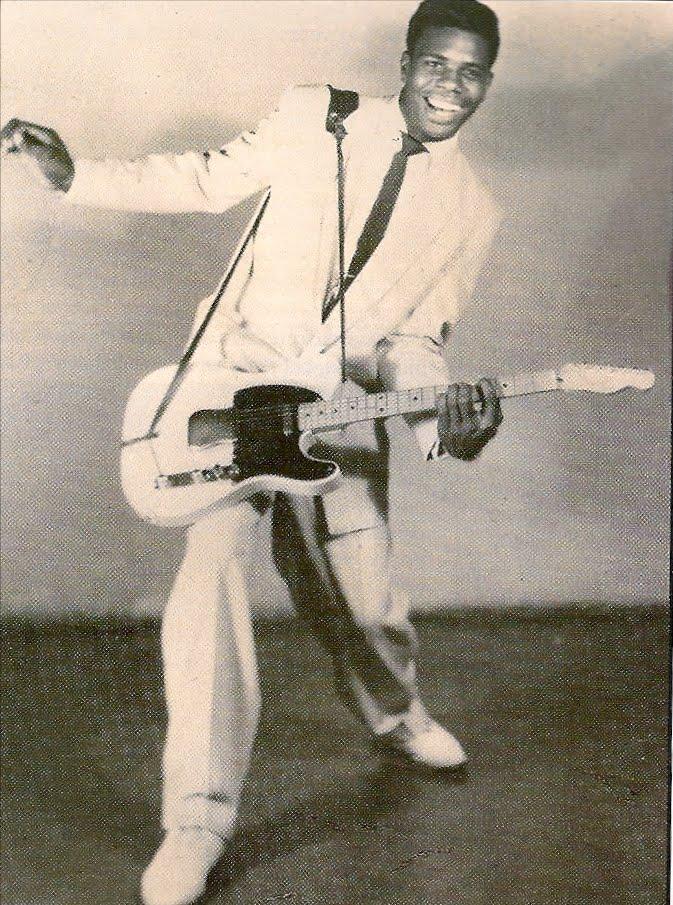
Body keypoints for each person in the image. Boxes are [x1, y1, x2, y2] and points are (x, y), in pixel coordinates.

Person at [1, 2, 504, 903]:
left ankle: (394, 713)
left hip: (338, 415)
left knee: (365, 602)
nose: (449, 86)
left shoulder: (473, 210)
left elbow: (414, 341)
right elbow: (204, 177)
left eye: (470, 73)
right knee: (211, 572)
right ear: (406, 61)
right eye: (436, 63)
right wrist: (74, 175)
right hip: (228, 391)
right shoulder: (318, 114)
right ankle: (196, 819)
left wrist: (448, 426)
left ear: (486, 84)